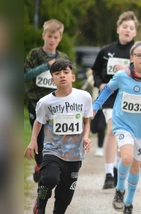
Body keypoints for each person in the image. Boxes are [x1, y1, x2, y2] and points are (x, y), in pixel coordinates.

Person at [93, 41, 141, 214]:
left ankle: (129, 202)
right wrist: (96, 106)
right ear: (131, 58)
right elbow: (107, 90)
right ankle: (119, 189)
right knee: (126, 158)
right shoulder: (121, 75)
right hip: (122, 124)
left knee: (135, 167)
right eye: (138, 55)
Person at [24, 59, 93, 214]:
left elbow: (86, 121)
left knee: (64, 198)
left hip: (75, 153)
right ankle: (40, 202)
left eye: (66, 72)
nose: (62, 75)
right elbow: (38, 122)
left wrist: (86, 137)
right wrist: (33, 140)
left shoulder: (84, 97)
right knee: (49, 179)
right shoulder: (45, 102)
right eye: (57, 73)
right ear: (52, 79)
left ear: (72, 77)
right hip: (52, 150)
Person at [91, 11, 139, 189]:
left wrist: (127, 69)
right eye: (125, 27)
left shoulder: (138, 52)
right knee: (112, 129)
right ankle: (109, 174)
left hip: (130, 98)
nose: (127, 30)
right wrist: (100, 83)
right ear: (118, 29)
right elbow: (95, 70)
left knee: (126, 134)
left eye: (131, 28)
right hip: (110, 97)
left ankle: (119, 166)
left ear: (135, 33)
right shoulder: (106, 50)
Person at [24, 19, 69, 183]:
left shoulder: (63, 57)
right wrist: (46, 66)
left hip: (57, 105)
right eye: (49, 36)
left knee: (56, 136)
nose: (52, 40)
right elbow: (25, 75)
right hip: (36, 102)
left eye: (55, 37)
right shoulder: (35, 54)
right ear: (44, 36)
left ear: (60, 39)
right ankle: (39, 164)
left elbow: (68, 78)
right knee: (39, 136)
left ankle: (52, 166)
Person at [81, 68, 106, 156]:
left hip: (105, 106)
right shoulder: (92, 78)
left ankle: (100, 148)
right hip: (94, 107)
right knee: (94, 129)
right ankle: (93, 131)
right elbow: (85, 88)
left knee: (101, 128)